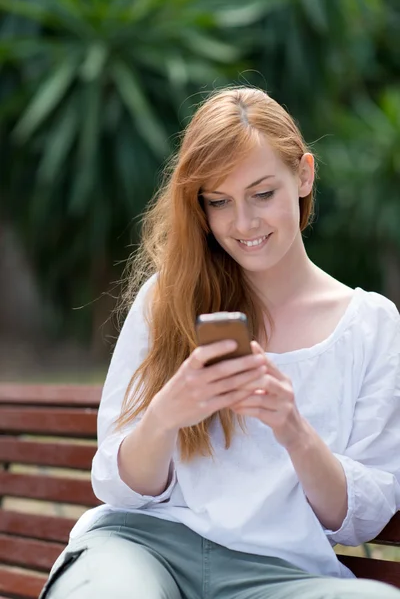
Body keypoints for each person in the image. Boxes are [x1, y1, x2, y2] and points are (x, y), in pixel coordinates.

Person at [40, 87, 400, 599]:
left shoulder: (371, 325)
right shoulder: (168, 297)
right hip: (144, 549)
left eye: (262, 193)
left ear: (303, 175)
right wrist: (167, 414)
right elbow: (117, 485)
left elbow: (358, 520)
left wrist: (294, 431)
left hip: (276, 573)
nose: (244, 223)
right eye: (219, 202)